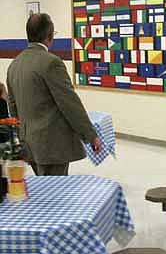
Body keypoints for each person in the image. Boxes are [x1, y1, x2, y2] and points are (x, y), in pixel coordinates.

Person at [7, 13, 102, 176]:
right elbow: (70, 104)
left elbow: (13, 106)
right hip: (52, 145)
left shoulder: (14, 65)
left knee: (43, 193)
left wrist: (21, 137)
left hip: (29, 144)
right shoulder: (51, 62)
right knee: (55, 194)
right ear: (50, 36)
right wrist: (91, 135)